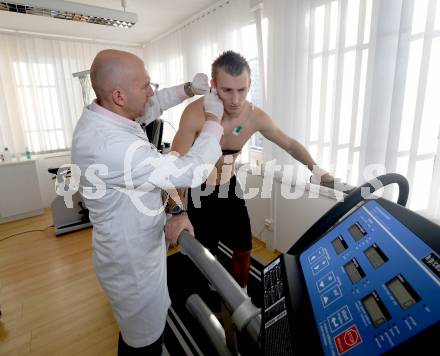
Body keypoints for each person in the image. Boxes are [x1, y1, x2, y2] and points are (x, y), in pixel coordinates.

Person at [71, 49, 225, 355]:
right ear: (118, 95)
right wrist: (213, 122)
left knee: (139, 330)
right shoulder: (107, 145)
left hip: (142, 246)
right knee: (143, 341)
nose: (151, 91)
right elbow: (190, 171)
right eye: (145, 85)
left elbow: (150, 105)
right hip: (132, 265)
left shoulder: (111, 114)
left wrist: (187, 89)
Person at [171, 50, 334, 292]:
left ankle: (242, 293)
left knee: (244, 248)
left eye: (242, 90)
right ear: (214, 86)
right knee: (206, 252)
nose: (236, 100)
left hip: (230, 188)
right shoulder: (195, 114)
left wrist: (317, 170)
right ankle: (211, 291)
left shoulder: (254, 117)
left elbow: (288, 144)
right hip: (199, 192)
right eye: (227, 90)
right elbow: (175, 167)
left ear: (250, 85)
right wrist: (177, 209)